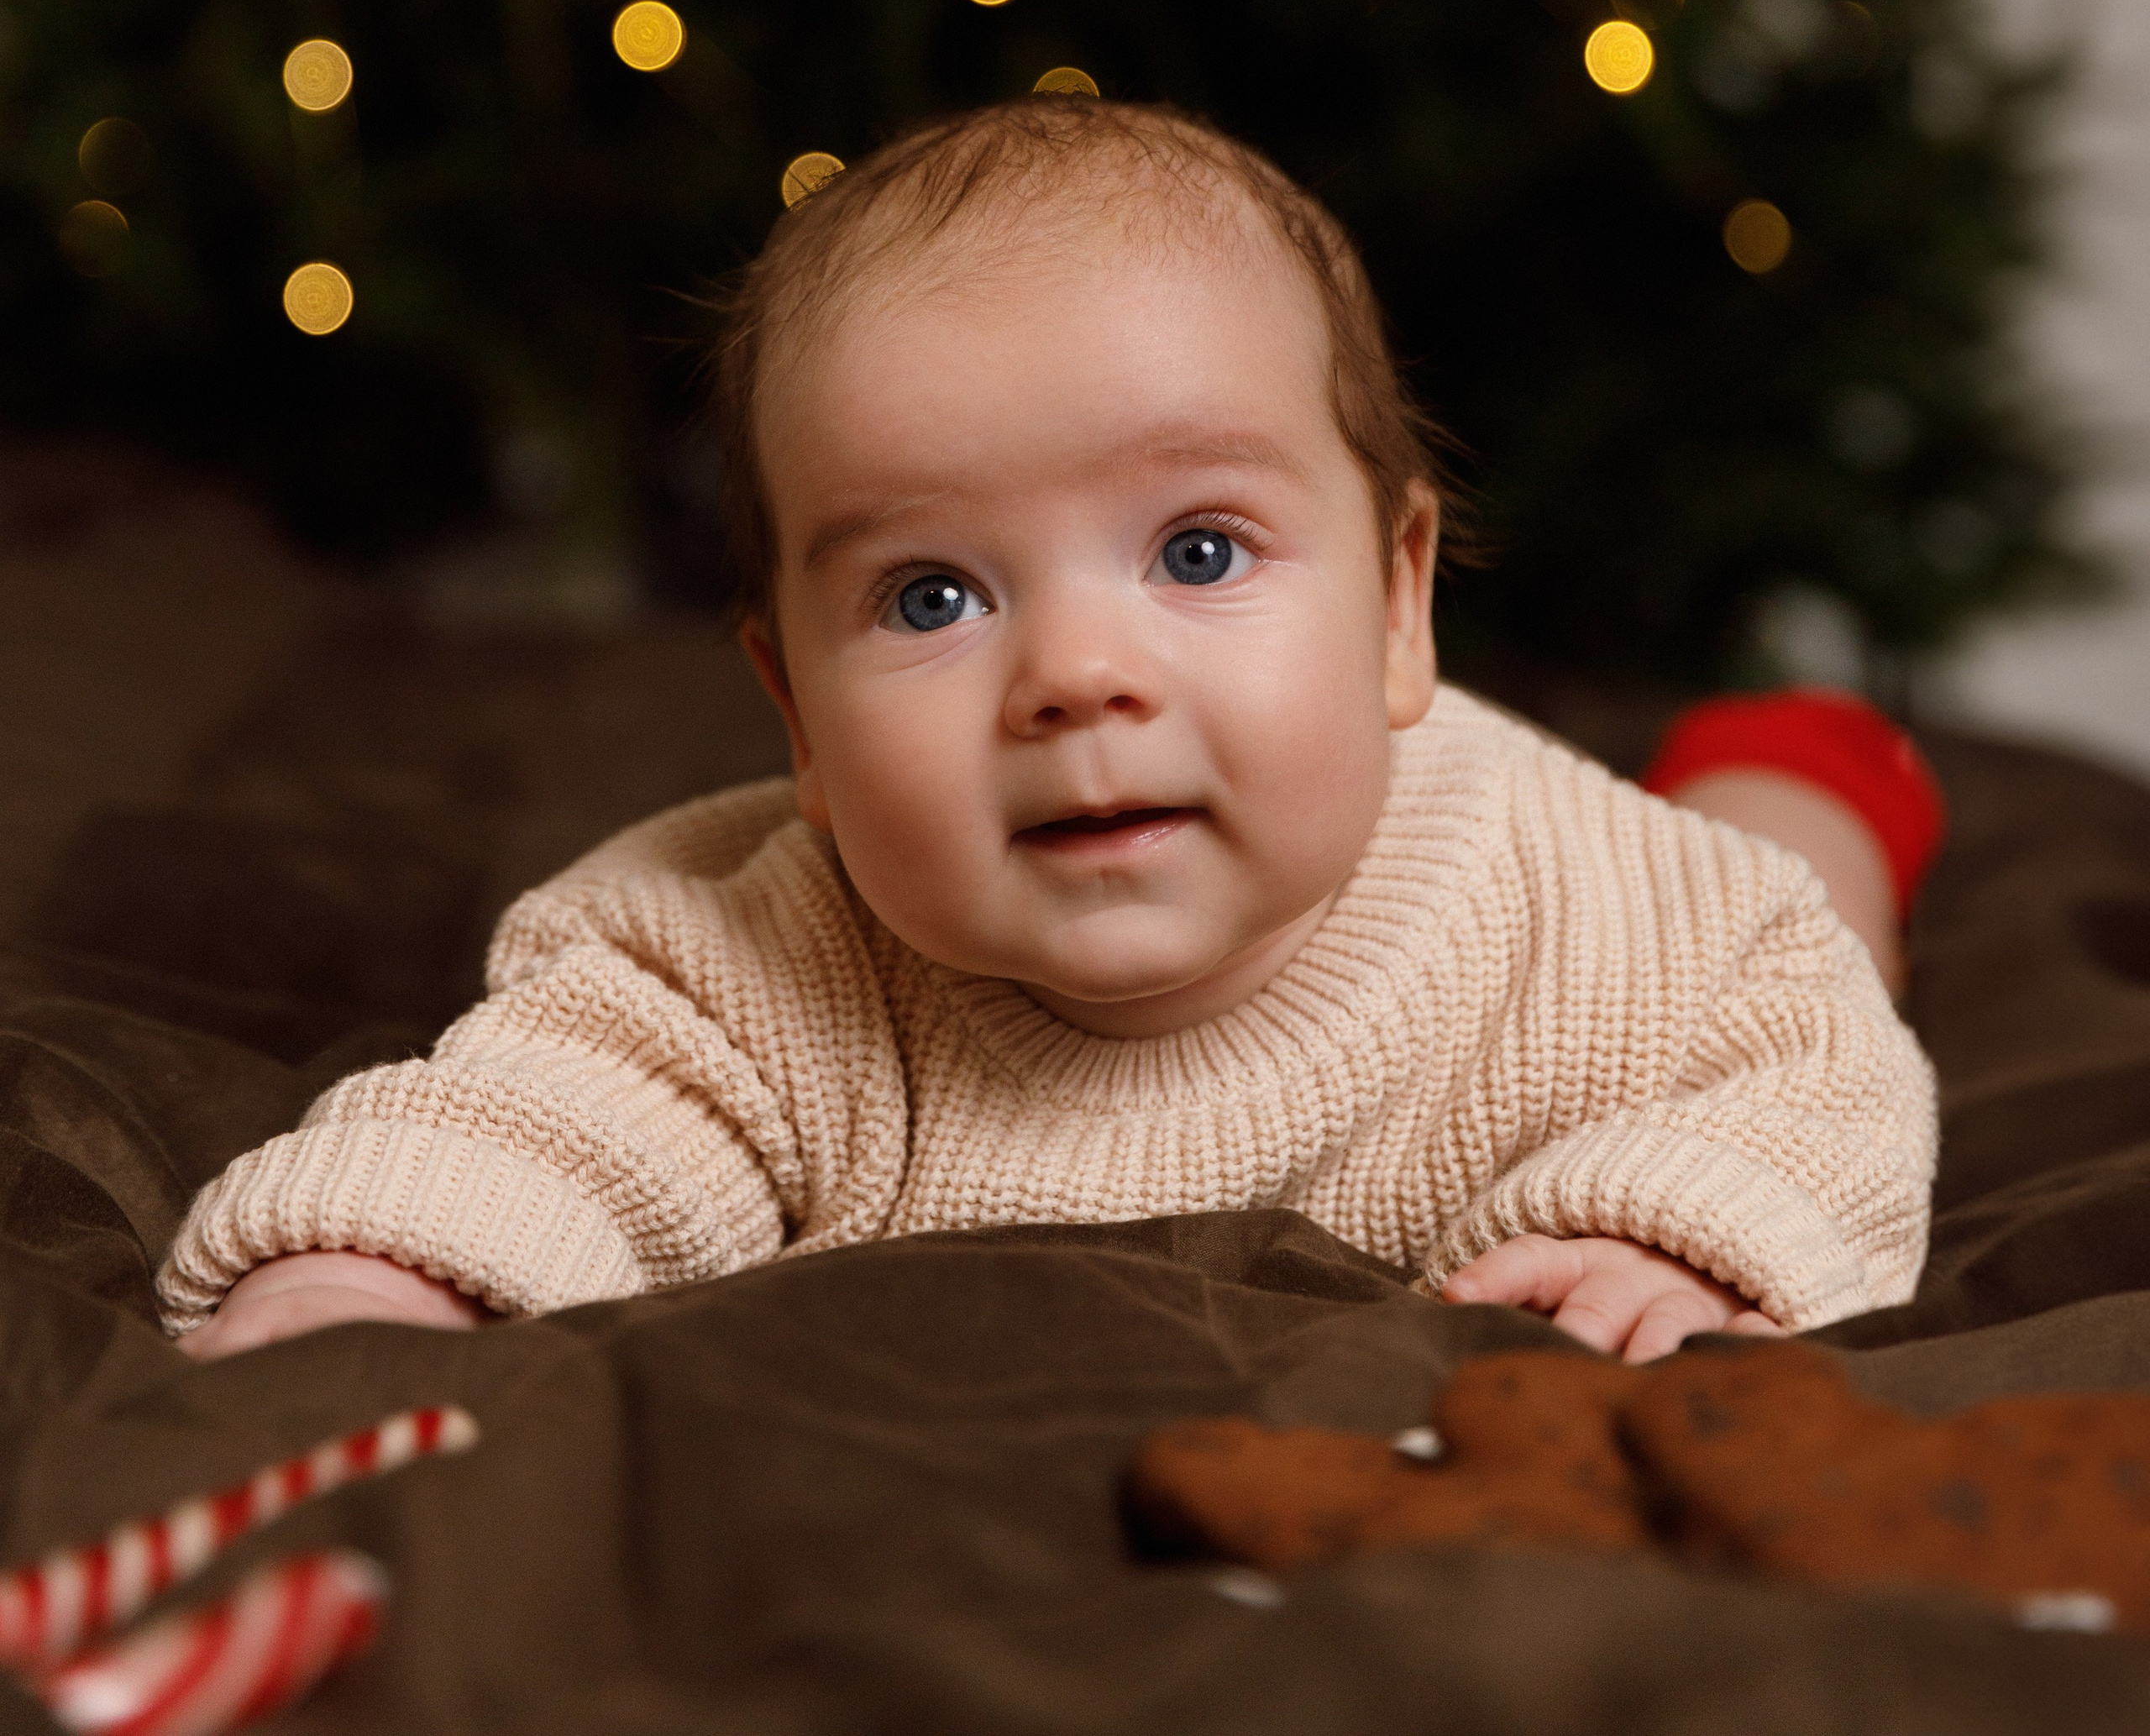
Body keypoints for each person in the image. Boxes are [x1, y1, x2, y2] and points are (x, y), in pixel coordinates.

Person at [166, 99, 1939, 1370]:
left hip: (1644, 856)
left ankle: (1819, 752)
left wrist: (1668, 1223)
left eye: (1195, 552)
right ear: (790, 710)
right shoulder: (750, 967)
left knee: (1810, 885)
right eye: (931, 598)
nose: (1075, 679)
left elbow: (1810, 1053)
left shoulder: (1590, 917)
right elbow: (543, 1119)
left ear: (1398, 603)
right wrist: (369, 1276)